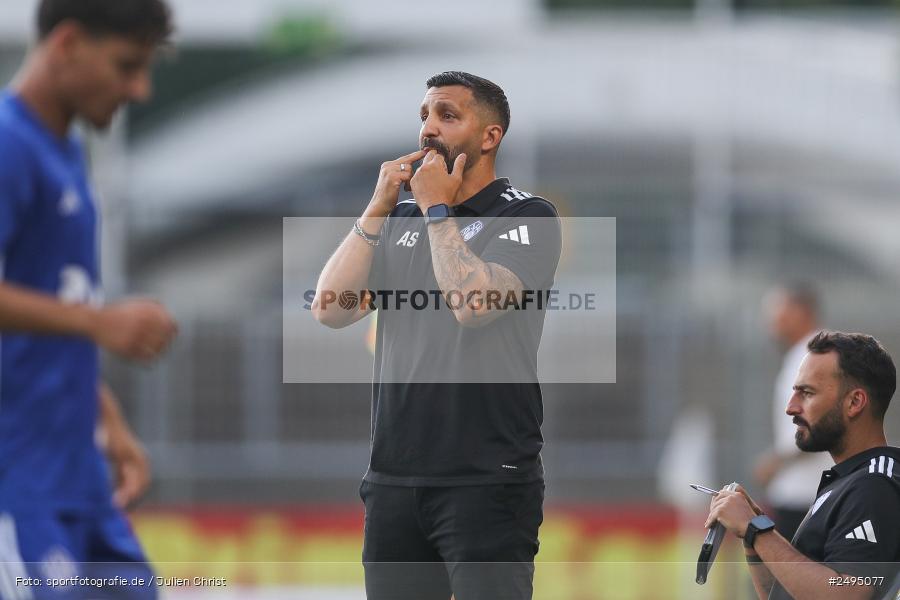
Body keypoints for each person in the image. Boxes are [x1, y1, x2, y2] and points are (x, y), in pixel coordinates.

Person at [312, 71, 561, 599]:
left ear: (489, 136)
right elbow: (330, 310)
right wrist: (378, 207)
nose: (429, 129)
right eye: (425, 116)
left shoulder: (526, 214)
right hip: (394, 477)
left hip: (488, 478)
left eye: (448, 116)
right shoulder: (400, 219)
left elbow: (474, 305)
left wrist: (436, 209)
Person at [0, 0, 176, 598]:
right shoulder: (8, 145)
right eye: (127, 66)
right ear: (68, 43)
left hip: (77, 482)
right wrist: (100, 323)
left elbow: (43, 317)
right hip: (18, 490)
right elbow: (78, 318)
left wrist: (105, 419)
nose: (140, 89)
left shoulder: (66, 151)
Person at [706, 331, 900, 600]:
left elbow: (848, 592)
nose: (791, 407)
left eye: (807, 393)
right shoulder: (850, 480)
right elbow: (788, 593)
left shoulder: (873, 485)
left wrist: (756, 530)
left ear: (854, 402)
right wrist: (754, 533)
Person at [754, 283, 834, 540]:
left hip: (806, 493)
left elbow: (818, 423)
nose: (771, 320)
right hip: (803, 489)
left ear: (801, 312)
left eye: (779, 310)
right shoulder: (809, 352)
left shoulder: (814, 355)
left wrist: (776, 462)